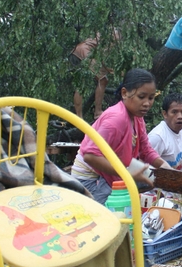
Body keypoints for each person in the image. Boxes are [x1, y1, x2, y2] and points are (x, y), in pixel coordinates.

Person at [70, 68, 170, 204]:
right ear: (124, 93)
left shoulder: (137, 117)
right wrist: (126, 174)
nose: (147, 103)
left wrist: (165, 167)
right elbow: (90, 156)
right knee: (112, 216)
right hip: (90, 180)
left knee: (153, 181)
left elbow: (146, 150)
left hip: (112, 173)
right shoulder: (116, 119)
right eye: (141, 97)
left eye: (151, 98)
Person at [69, 28, 121, 121]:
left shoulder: (106, 30)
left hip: (76, 52)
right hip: (85, 53)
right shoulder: (115, 34)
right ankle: (97, 112)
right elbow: (102, 56)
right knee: (103, 80)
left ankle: (79, 116)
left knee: (81, 85)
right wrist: (108, 69)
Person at [148, 93, 182, 171]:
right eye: (174, 112)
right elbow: (145, 167)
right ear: (165, 114)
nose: (180, 116)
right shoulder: (157, 137)